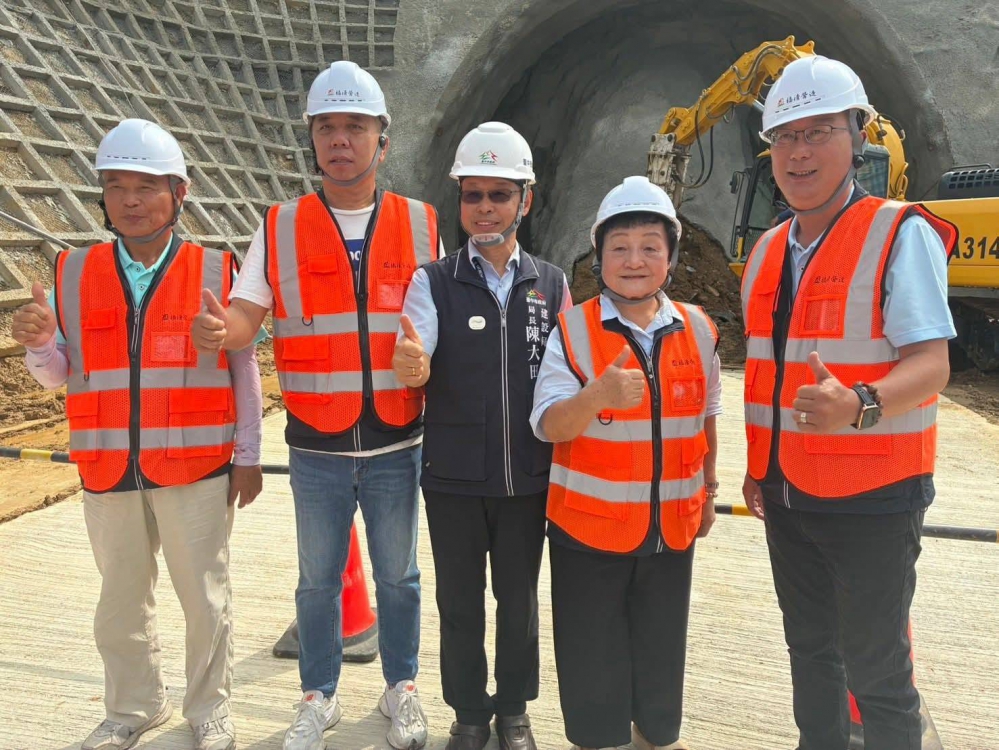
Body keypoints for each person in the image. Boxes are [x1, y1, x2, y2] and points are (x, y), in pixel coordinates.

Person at [190, 61, 440, 750]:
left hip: (395, 440)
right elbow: (246, 314)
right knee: (317, 582)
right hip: (316, 445)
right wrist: (221, 331)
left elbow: (435, 325)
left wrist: (424, 361)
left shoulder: (421, 224)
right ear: (312, 137)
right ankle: (318, 696)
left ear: (382, 138)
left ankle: (401, 688)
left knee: (399, 578)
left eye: (355, 127)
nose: (340, 140)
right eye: (326, 127)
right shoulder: (280, 226)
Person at [10, 118, 264, 750]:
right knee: (120, 601)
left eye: (146, 186)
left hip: (195, 467)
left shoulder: (215, 268)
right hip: (107, 467)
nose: (130, 200)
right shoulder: (73, 271)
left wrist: (249, 454)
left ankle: (209, 708)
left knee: (204, 597)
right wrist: (39, 345)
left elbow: (244, 370)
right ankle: (133, 706)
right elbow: (57, 374)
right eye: (116, 186)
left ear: (179, 192)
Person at [740, 55, 957, 750]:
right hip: (785, 492)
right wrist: (760, 469)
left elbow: (932, 365)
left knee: (878, 673)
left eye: (818, 132)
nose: (798, 152)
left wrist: (860, 402)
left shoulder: (899, 233)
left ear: (857, 135)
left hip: (873, 496)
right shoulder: (767, 251)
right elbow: (768, 374)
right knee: (810, 655)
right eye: (784, 136)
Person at [392, 122, 570, 750]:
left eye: (500, 194)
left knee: (519, 603)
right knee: (460, 604)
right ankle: (469, 713)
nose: (486, 207)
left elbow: (565, 372)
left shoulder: (551, 284)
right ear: (460, 201)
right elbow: (416, 350)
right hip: (454, 479)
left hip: (528, 477)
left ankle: (514, 711)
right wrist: (412, 364)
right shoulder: (433, 281)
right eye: (473, 195)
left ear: (526, 199)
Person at [530, 176, 722, 750]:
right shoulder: (573, 330)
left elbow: (708, 413)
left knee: (662, 650)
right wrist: (596, 396)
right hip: (588, 531)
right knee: (592, 655)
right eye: (620, 247)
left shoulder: (699, 328)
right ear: (599, 255)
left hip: (671, 529)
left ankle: (655, 736)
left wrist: (709, 492)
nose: (634, 260)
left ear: (671, 256)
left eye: (649, 247)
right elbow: (549, 425)